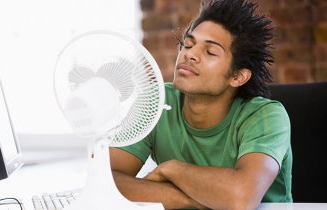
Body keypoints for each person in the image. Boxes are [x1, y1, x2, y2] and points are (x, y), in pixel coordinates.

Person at [110, 0, 292, 209]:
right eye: (187, 45)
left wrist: (172, 169)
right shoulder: (156, 102)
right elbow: (106, 182)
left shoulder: (266, 116)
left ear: (238, 76)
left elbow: (241, 199)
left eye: (210, 52)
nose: (190, 54)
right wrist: (185, 199)